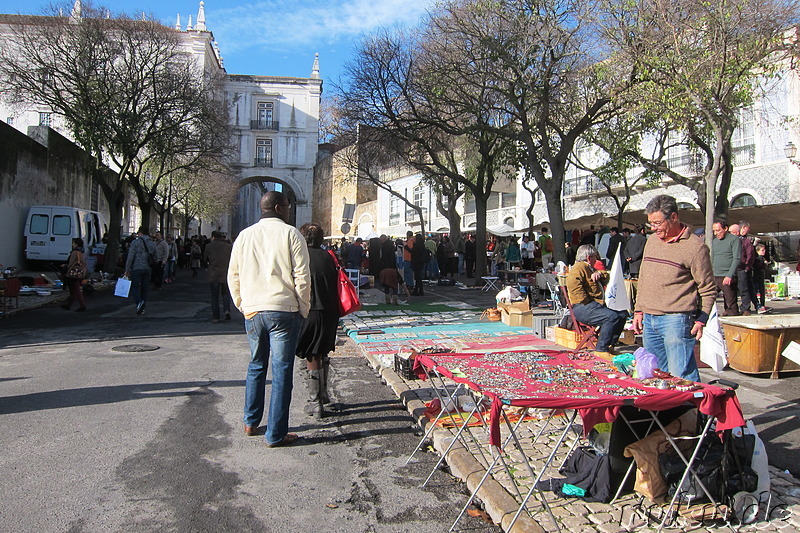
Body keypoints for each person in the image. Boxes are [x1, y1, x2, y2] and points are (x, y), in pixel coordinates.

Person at [228, 191, 311, 447]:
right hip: (283, 310)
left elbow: (234, 275)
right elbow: (302, 277)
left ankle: (250, 421)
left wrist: (243, 305)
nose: (289, 210)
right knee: (282, 371)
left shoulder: (244, 236)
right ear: (278, 208)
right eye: (287, 206)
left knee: (256, 366)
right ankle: (275, 433)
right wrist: (303, 308)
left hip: (253, 310)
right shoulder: (291, 234)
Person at [632, 195, 716, 382]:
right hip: (649, 319)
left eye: (657, 223)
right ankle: (666, 411)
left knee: (682, 375)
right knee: (655, 374)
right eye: (651, 224)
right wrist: (638, 310)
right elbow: (644, 278)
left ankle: (695, 410)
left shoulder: (695, 248)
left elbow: (708, 288)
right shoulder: (652, 241)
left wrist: (702, 319)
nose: (654, 228)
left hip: (676, 320)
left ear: (674, 217)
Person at [295, 223, 339, 419]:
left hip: (311, 309)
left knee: (312, 354)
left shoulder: (301, 257)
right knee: (323, 350)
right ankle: (323, 393)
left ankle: (315, 402)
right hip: (330, 309)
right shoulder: (328, 256)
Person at [565, 244, 627, 359]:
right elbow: (574, 287)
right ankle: (601, 349)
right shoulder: (579, 268)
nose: (596, 259)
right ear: (589, 257)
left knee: (623, 314)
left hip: (592, 305)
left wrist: (599, 273)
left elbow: (606, 276)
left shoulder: (589, 268)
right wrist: (588, 301)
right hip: (583, 307)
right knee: (611, 316)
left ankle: (610, 344)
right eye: (594, 257)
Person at [711, 219, 741, 316]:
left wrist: (729, 275)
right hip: (715, 276)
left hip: (727, 276)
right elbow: (712, 258)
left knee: (730, 302)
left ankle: (733, 320)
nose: (716, 233)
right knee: (708, 298)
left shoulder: (734, 240)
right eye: (714, 231)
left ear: (725, 229)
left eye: (718, 230)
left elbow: (736, 258)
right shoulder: (714, 242)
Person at [125, 226, 157, 315]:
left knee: (135, 287)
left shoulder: (135, 243)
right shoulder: (152, 243)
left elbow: (130, 256)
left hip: (137, 267)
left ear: (140, 233)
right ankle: (142, 308)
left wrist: (127, 269)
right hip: (147, 268)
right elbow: (156, 257)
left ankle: (139, 303)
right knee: (144, 288)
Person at [204, 230, 233, 323]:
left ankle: (216, 317)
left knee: (214, 297)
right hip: (226, 273)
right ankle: (227, 309)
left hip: (214, 274)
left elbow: (204, 258)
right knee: (225, 294)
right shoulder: (228, 247)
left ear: (213, 237)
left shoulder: (209, 246)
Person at [733, 221, 756, 316]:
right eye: (747, 229)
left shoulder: (746, 241)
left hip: (742, 268)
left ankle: (746, 308)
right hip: (732, 268)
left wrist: (747, 267)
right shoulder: (732, 240)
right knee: (731, 289)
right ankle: (731, 308)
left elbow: (750, 255)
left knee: (744, 289)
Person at [61, 237, 87, 312]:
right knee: (74, 290)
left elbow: (71, 263)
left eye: (73, 243)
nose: (72, 244)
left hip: (73, 274)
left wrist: (65, 267)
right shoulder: (82, 252)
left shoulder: (75, 252)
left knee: (76, 290)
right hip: (80, 274)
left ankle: (82, 306)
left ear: (76, 244)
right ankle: (68, 305)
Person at [752, 243, 769, 314]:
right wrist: (764, 264)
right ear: (757, 251)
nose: (764, 251)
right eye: (762, 250)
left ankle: (762, 305)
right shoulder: (758, 259)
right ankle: (758, 305)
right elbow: (758, 266)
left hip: (761, 277)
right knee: (756, 292)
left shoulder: (762, 258)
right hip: (756, 277)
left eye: (764, 250)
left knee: (762, 292)